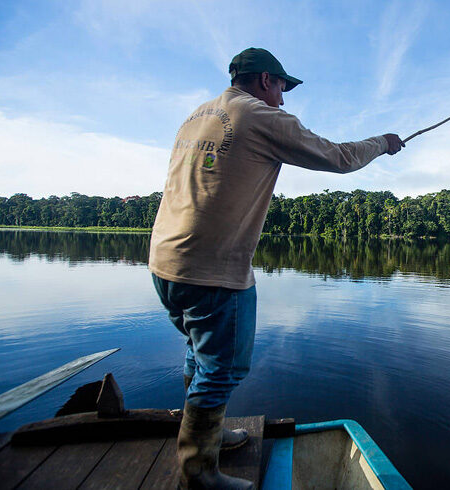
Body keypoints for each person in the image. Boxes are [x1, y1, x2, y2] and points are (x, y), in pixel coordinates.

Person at [148, 47, 403, 489]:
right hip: (214, 272)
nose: (284, 100)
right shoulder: (260, 116)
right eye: (283, 88)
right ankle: (199, 470)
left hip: (165, 263)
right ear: (266, 80)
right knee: (222, 368)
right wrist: (383, 143)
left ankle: (206, 435)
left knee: (199, 351)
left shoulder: (196, 116)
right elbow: (337, 158)